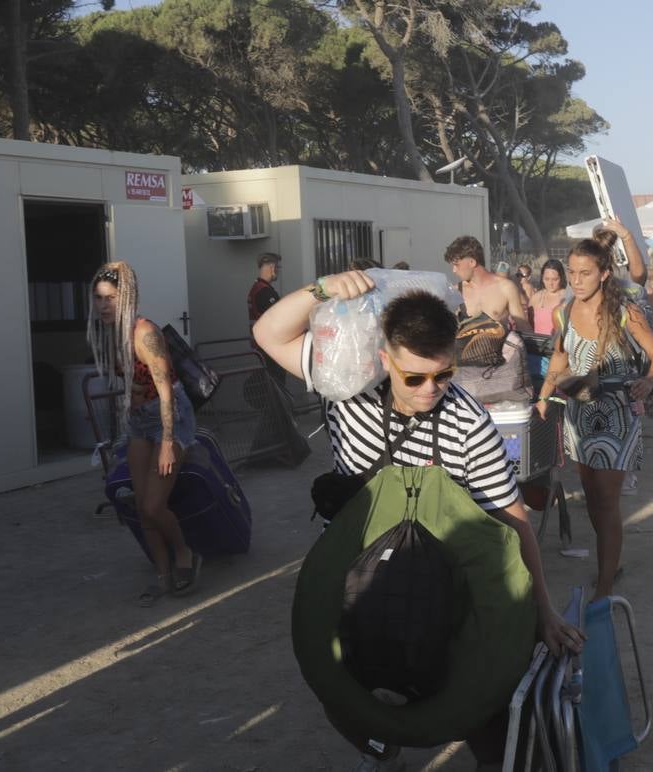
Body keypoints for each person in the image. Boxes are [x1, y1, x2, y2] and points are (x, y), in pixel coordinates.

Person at [252, 271, 583, 771]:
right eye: (414, 377)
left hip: (447, 582)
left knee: (484, 710)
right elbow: (267, 334)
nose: (431, 390)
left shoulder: (469, 421)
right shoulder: (347, 388)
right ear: (385, 360)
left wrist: (542, 610)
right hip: (358, 576)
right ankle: (384, 749)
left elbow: (511, 519)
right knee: (347, 690)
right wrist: (322, 290)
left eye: (444, 375)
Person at [538, 230, 653, 597]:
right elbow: (560, 358)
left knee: (607, 502)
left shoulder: (626, 313)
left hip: (617, 418)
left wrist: (649, 380)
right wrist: (545, 394)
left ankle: (606, 582)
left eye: (585, 273)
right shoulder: (564, 311)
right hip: (579, 415)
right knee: (592, 499)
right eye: (572, 273)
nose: (576, 281)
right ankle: (611, 562)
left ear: (604, 273)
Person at [89, 261, 201, 606]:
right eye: (99, 298)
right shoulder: (109, 333)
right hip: (138, 420)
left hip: (170, 417)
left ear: (126, 299)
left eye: (110, 298)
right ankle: (163, 577)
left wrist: (168, 442)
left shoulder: (144, 333)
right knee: (140, 505)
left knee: (154, 504)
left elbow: (166, 391)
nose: (104, 305)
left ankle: (186, 554)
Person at [444, 236, 529, 330]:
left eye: (456, 265)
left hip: (497, 343)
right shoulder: (456, 291)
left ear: (472, 262)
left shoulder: (506, 288)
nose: (454, 270)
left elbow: (523, 327)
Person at [248, 252, 286, 385]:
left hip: (262, 344)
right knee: (276, 383)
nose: (278, 271)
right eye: (278, 268)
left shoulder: (257, 288)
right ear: (272, 267)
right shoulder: (264, 291)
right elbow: (278, 318)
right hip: (269, 345)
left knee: (271, 381)